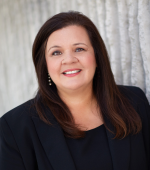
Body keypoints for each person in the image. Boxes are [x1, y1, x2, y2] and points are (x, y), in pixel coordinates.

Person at [0, 11, 150, 170]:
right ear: (44, 65)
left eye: (79, 49)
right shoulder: (14, 128)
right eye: (56, 52)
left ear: (97, 57)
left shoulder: (134, 102)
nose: (69, 59)